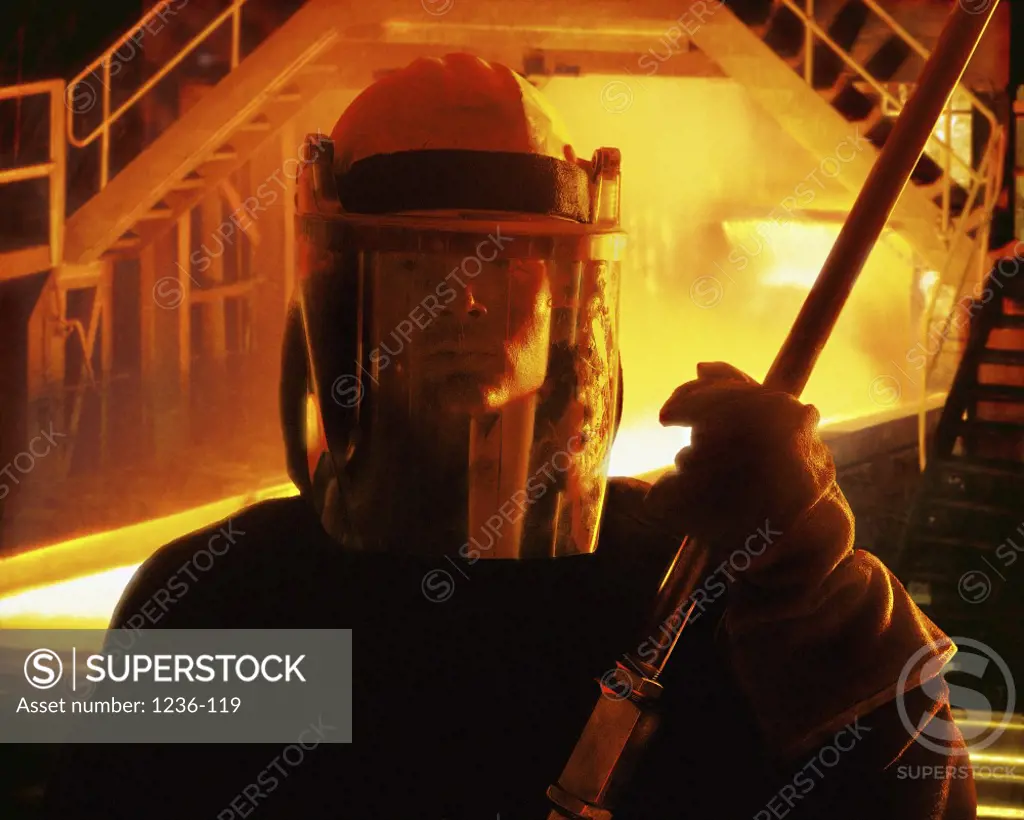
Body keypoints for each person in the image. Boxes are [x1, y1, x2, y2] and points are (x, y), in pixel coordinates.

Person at [44, 53, 974, 820]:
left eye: (511, 257)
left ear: (571, 297)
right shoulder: (227, 603)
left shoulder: (703, 586)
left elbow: (923, 802)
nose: (467, 295)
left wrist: (824, 597)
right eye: (416, 260)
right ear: (337, 305)